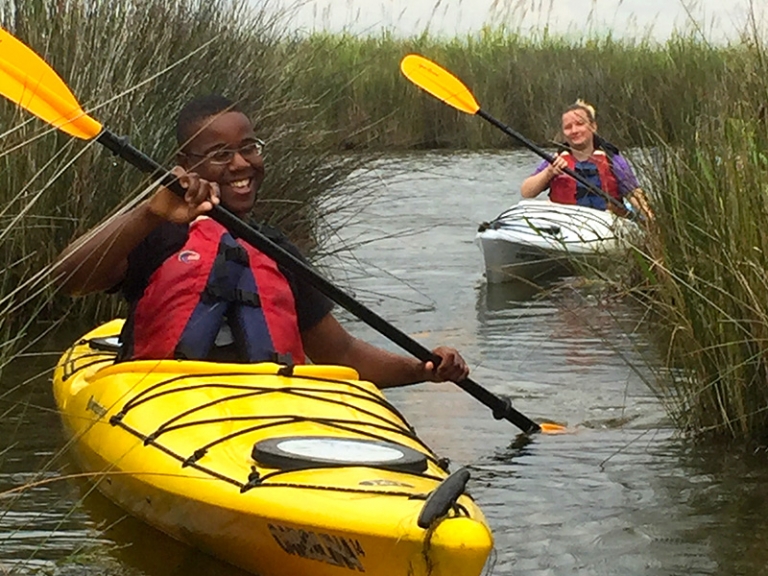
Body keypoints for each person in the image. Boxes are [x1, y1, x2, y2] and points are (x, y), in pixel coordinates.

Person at [53, 94, 469, 389]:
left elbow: (340, 354)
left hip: (264, 405)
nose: (241, 164)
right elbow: (67, 278)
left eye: (248, 147)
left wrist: (422, 369)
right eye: (219, 154)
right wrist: (149, 212)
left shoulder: (276, 249)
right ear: (185, 167)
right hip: (167, 400)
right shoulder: (160, 231)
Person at [520, 100, 653, 220]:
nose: (574, 130)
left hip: (605, 224)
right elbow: (526, 192)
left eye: (580, 124)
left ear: (593, 126)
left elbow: (634, 194)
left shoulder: (613, 160)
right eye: (568, 127)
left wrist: (651, 220)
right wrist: (548, 172)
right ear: (563, 133)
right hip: (564, 223)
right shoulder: (555, 161)